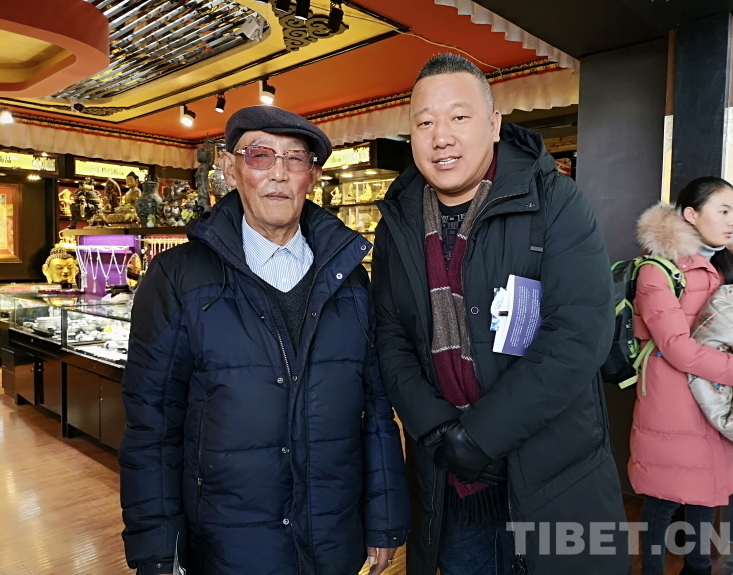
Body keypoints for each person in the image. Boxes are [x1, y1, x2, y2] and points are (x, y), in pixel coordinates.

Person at [119, 106, 409, 575]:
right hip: (226, 546)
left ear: (312, 176)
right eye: (259, 155)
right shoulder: (178, 277)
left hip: (331, 539)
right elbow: (152, 425)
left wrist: (385, 520)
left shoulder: (350, 280)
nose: (278, 173)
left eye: (295, 158)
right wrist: (157, 549)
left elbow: (375, 412)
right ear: (230, 169)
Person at [371, 52, 629, 575]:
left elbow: (579, 332)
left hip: (554, 477)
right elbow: (390, 336)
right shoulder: (397, 221)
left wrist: (480, 437)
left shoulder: (554, 200)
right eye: (425, 123)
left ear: (493, 125)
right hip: (451, 488)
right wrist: (438, 433)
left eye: (459, 117)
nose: (441, 137)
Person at [629, 177, 733, 575]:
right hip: (674, 402)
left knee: (706, 491)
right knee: (665, 494)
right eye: (723, 211)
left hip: (718, 397)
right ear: (691, 214)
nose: (732, 220)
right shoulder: (658, 269)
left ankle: (697, 567)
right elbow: (677, 347)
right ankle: (651, 569)